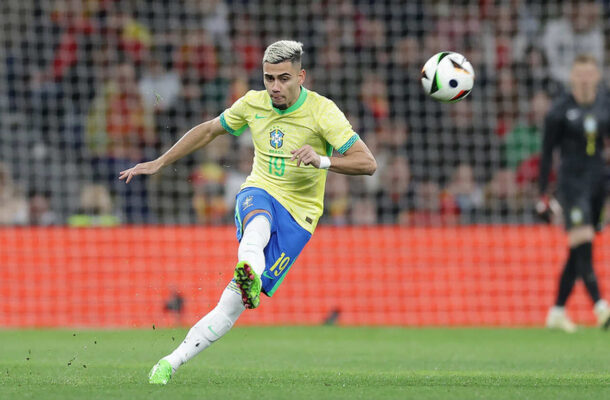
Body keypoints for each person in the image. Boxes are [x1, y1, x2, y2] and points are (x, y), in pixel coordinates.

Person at [118, 40, 377, 384]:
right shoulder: (253, 103)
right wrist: (160, 162)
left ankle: (173, 358)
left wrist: (322, 160)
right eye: (269, 78)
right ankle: (247, 273)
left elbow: (367, 163)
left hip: (299, 218)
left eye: (284, 78)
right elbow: (209, 130)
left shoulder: (322, 112)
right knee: (257, 223)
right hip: (260, 190)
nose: (275, 87)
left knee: (232, 306)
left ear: (301, 76)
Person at [537, 54, 610, 333]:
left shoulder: (604, 104)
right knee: (583, 240)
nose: (584, 80)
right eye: (579, 74)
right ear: (571, 77)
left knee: (579, 249)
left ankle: (557, 311)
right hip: (571, 183)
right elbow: (546, 154)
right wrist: (542, 194)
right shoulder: (559, 110)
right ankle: (600, 306)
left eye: (589, 74)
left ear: (597, 76)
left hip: (598, 184)